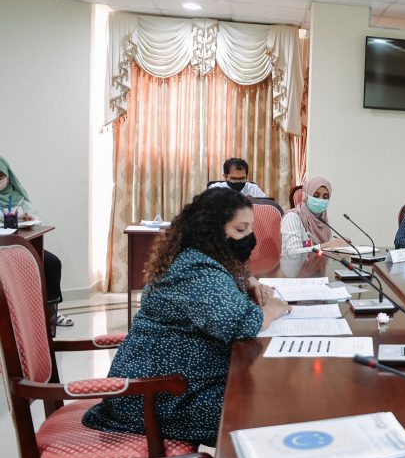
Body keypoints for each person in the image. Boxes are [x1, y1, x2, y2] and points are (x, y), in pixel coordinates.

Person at [83, 188, 289, 445]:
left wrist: (248, 281)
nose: (249, 237)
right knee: (262, 409)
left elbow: (223, 289)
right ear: (211, 230)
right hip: (154, 395)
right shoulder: (195, 268)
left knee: (263, 396)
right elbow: (236, 324)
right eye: (241, 229)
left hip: (175, 383)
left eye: (250, 228)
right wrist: (271, 310)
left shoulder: (199, 257)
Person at [0, 156, 73, 327]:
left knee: (52, 263)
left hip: (22, 246)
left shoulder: (17, 196)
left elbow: (34, 220)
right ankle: (21, 316)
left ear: (8, 175)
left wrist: (28, 219)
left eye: (1, 176)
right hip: (3, 249)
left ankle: (51, 312)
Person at [281, 177, 351, 257]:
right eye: (316, 195)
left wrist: (339, 249)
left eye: (325, 197)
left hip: (319, 263)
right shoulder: (292, 218)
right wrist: (326, 246)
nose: (321, 200)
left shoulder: (323, 220)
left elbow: (325, 252)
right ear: (306, 197)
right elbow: (293, 253)